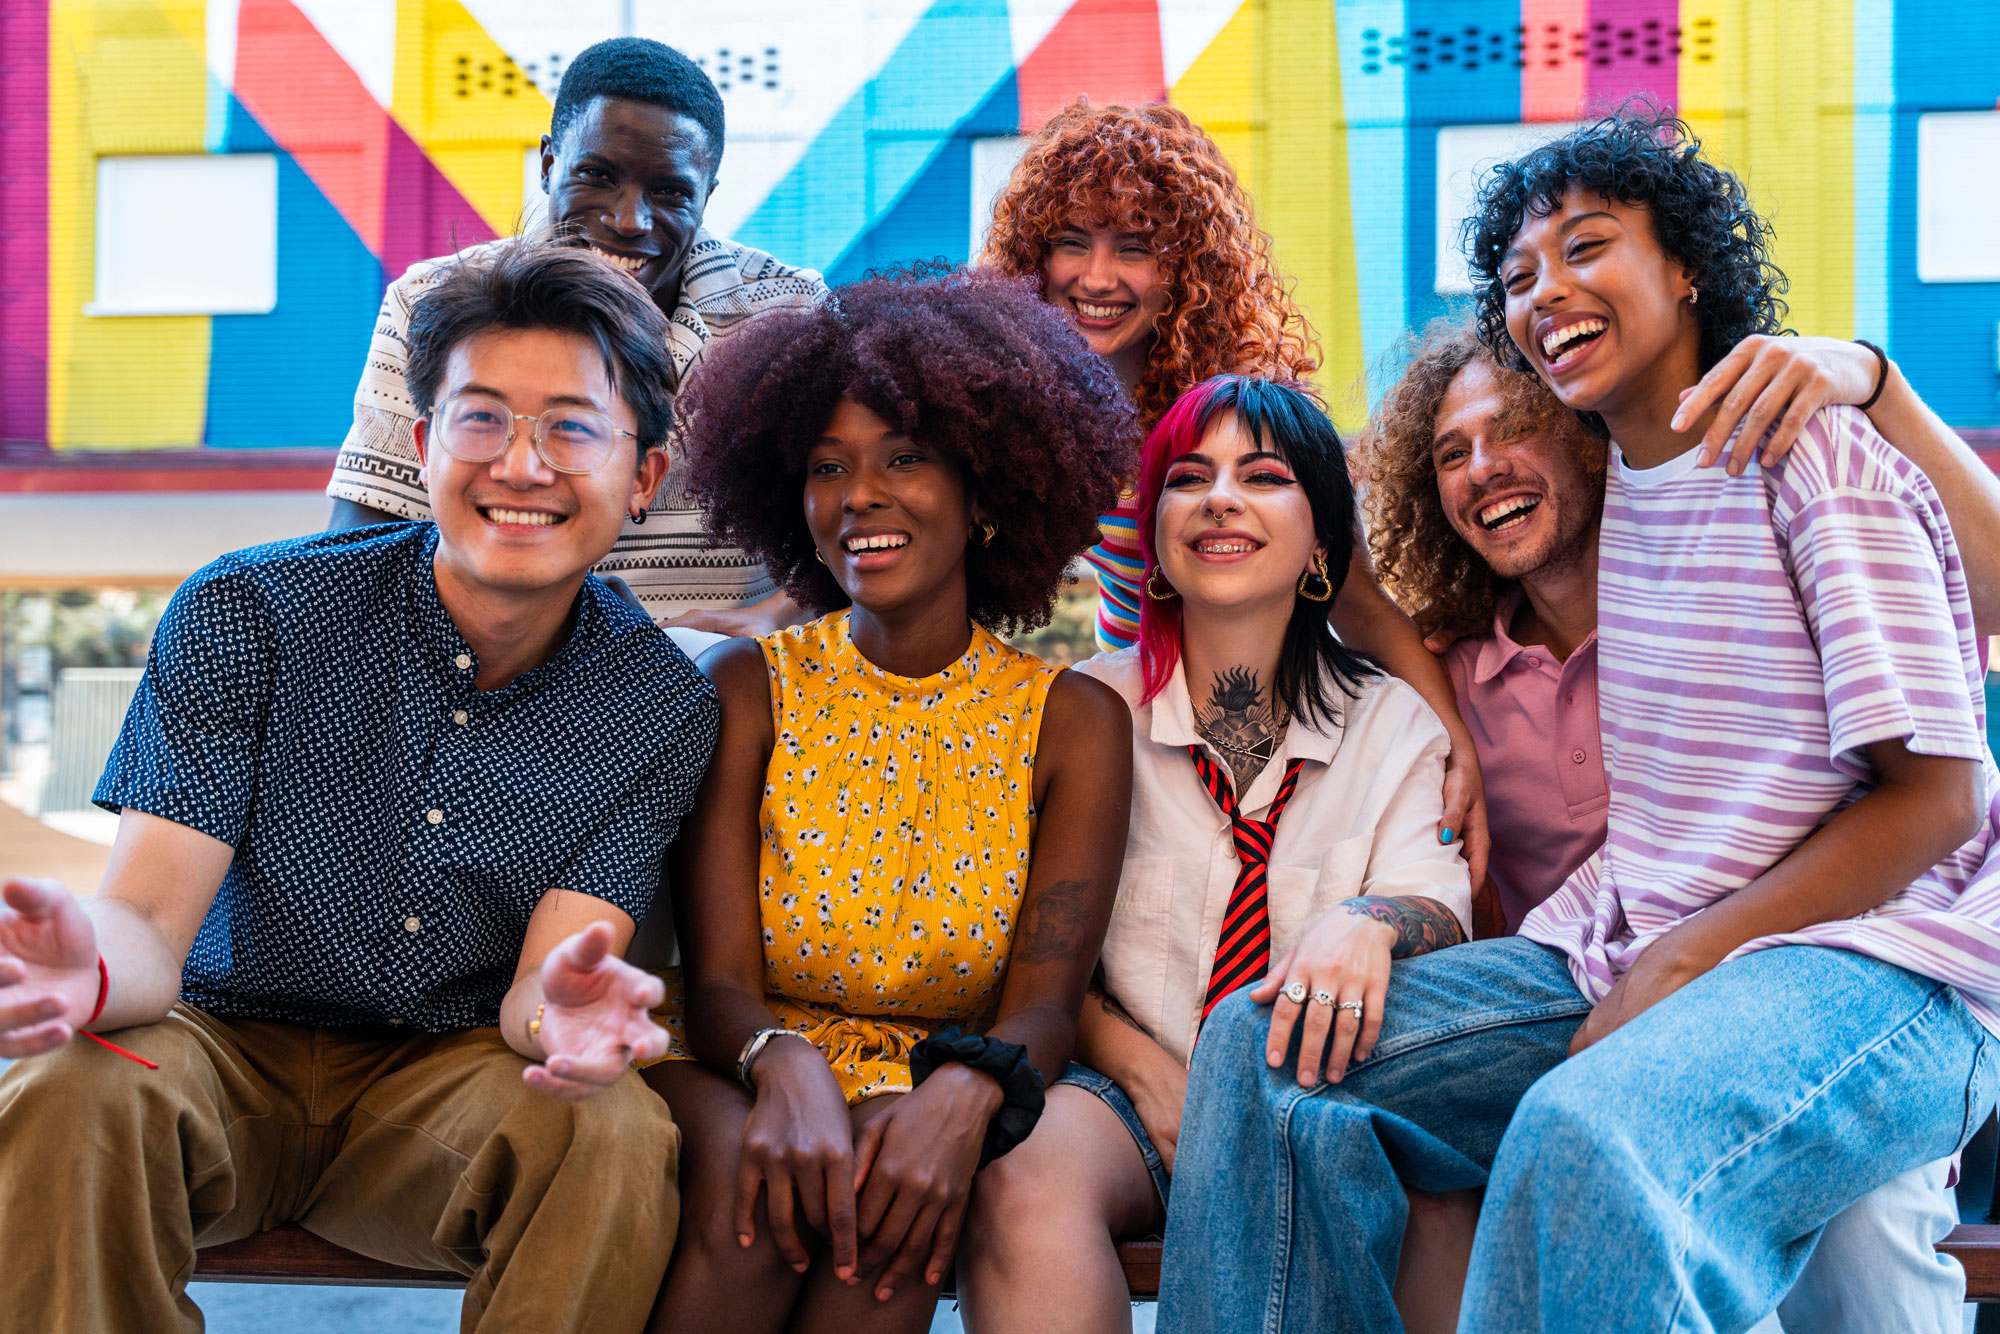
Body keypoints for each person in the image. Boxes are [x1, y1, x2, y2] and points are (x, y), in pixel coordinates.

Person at [1159, 107, 2000, 1334]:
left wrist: (1681, 957)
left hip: (1881, 965)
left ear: (1685, 268)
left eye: (1586, 245)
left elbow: (1939, 798)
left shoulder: (1807, 449)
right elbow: (1378, 604)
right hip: (1633, 945)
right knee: (1260, 1050)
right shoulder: (1629, 495)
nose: (1544, 290)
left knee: (1580, 1132)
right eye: (1516, 277)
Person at [0, 240, 718, 1333]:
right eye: (481, 419)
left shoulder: (657, 702)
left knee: (611, 1128)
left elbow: (544, 983)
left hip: (446, 1079)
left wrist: (567, 1020)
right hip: (220, 1051)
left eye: (571, 429)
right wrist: (88, 970)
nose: (521, 466)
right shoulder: (252, 608)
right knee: (66, 1083)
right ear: (424, 448)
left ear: (644, 477)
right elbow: (145, 918)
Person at [1359, 322, 2000, 1330]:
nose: (1482, 466)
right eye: (1449, 452)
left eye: (1513, 426)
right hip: (1588, 1011)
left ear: (1589, 438)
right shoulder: (1458, 679)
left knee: (1859, 1224)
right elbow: (1342, 606)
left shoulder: (1724, 582)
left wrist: (1873, 378)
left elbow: (1965, 643)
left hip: (1813, 986)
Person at [645, 266, 1136, 1334]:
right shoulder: (748, 687)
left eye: (902, 457)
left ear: (984, 488)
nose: (858, 494)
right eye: (826, 466)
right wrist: (783, 1064)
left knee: (893, 1208)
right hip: (736, 1063)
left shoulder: (1071, 722)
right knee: (760, 1198)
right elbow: (718, 984)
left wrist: (962, 1094)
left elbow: (1044, 1004)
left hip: (926, 1080)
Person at [958, 375, 1474, 1334]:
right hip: (1124, 1093)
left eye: (1263, 476)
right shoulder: (1079, 710)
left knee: (1441, 1198)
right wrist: (1142, 1069)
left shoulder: (1395, 723)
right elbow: (1019, 953)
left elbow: (1432, 905)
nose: (1221, 499)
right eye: (1188, 479)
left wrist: (1368, 924)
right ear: (1154, 538)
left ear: (1323, 544)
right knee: (1019, 1174)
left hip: (1320, 1096)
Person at [983, 99, 1494, 887]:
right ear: (1032, 255)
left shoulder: (1244, 412)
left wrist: (1455, 746)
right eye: (1071, 242)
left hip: (1267, 710)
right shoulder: (1019, 405)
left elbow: (1359, 606)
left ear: (1184, 268)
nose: (1097, 276)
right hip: (1136, 705)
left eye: (1134, 248)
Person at [326, 36, 828, 632]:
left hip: (719, 669)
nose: (628, 219)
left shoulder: (790, 313)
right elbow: (361, 549)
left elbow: (860, 513)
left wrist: (768, 620)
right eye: (596, 175)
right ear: (547, 166)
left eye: (670, 191)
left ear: (706, 196)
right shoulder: (429, 302)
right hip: (491, 665)